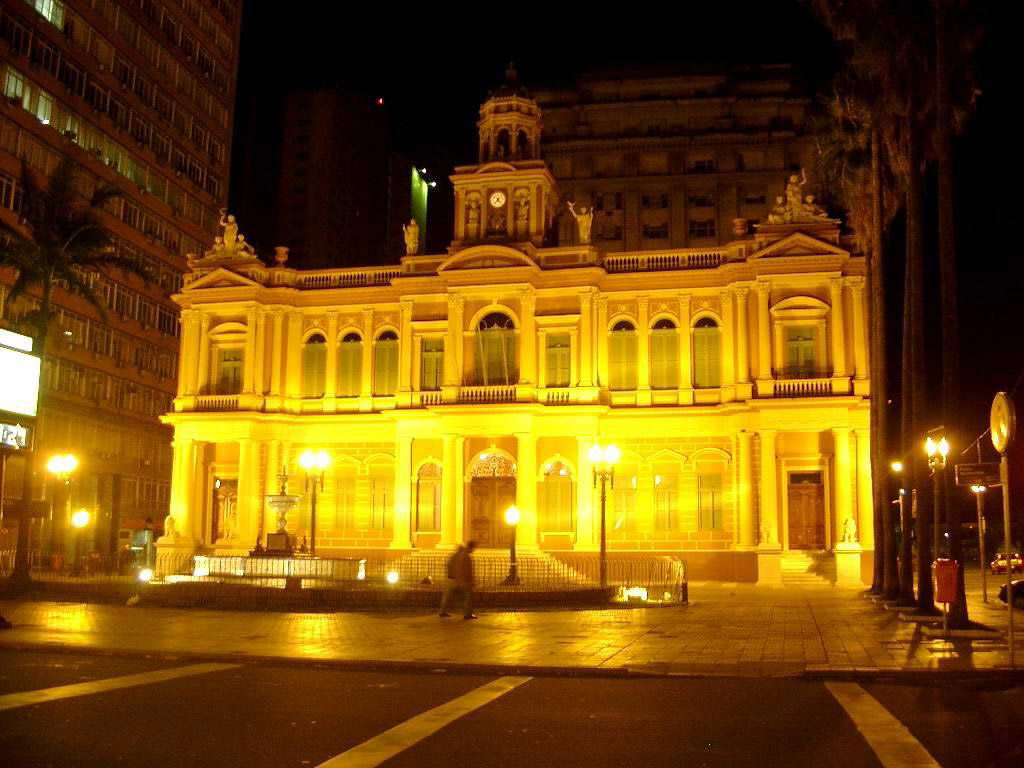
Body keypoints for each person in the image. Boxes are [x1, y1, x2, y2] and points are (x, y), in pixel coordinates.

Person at [439, 540, 478, 619]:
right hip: (462, 580)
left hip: (452, 578)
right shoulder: (465, 556)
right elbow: (464, 569)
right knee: (469, 597)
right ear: (471, 547)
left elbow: (449, 565)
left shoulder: (456, 555)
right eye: (474, 548)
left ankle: (442, 611)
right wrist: (465, 580)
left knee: (447, 596)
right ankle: (468, 614)